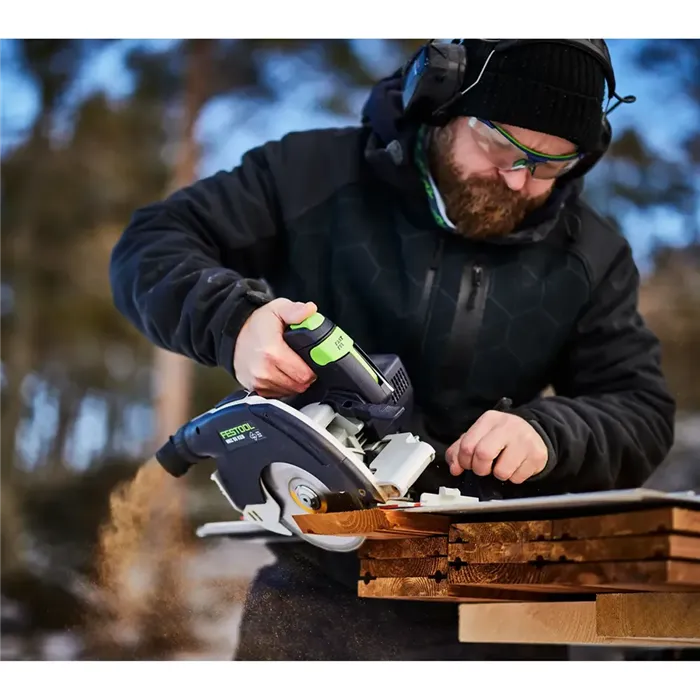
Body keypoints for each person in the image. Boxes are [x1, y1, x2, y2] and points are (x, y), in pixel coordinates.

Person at [109, 39, 676, 660]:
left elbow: (639, 408)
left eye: (551, 165)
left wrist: (550, 434)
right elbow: (153, 244)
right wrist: (234, 321)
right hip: (318, 576)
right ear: (441, 101)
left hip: (496, 590)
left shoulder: (592, 255)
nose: (519, 180)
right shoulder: (312, 174)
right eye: (501, 147)